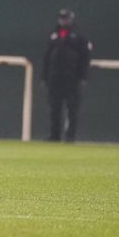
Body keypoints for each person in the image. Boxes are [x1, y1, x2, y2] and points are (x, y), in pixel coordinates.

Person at [41, 8, 92, 142]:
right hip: (55, 78)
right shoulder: (54, 34)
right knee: (54, 109)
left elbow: (85, 58)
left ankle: (70, 136)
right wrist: (44, 76)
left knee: (72, 109)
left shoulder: (79, 36)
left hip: (72, 79)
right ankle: (54, 136)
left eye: (66, 18)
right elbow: (47, 57)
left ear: (71, 19)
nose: (63, 21)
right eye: (62, 18)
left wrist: (82, 77)